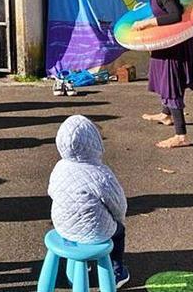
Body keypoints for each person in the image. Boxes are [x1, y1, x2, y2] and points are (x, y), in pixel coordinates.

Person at [115, 0, 193, 148]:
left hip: (177, 46)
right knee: (164, 79)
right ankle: (166, 115)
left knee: (171, 84)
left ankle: (180, 136)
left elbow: (175, 15)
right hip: (169, 44)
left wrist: (146, 23)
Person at [48, 115, 129, 288]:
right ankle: (117, 271)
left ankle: (76, 270)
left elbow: (52, 192)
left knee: (84, 223)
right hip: (95, 232)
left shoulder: (59, 167)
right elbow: (118, 205)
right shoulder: (100, 173)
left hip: (62, 224)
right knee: (119, 231)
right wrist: (119, 219)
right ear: (95, 144)